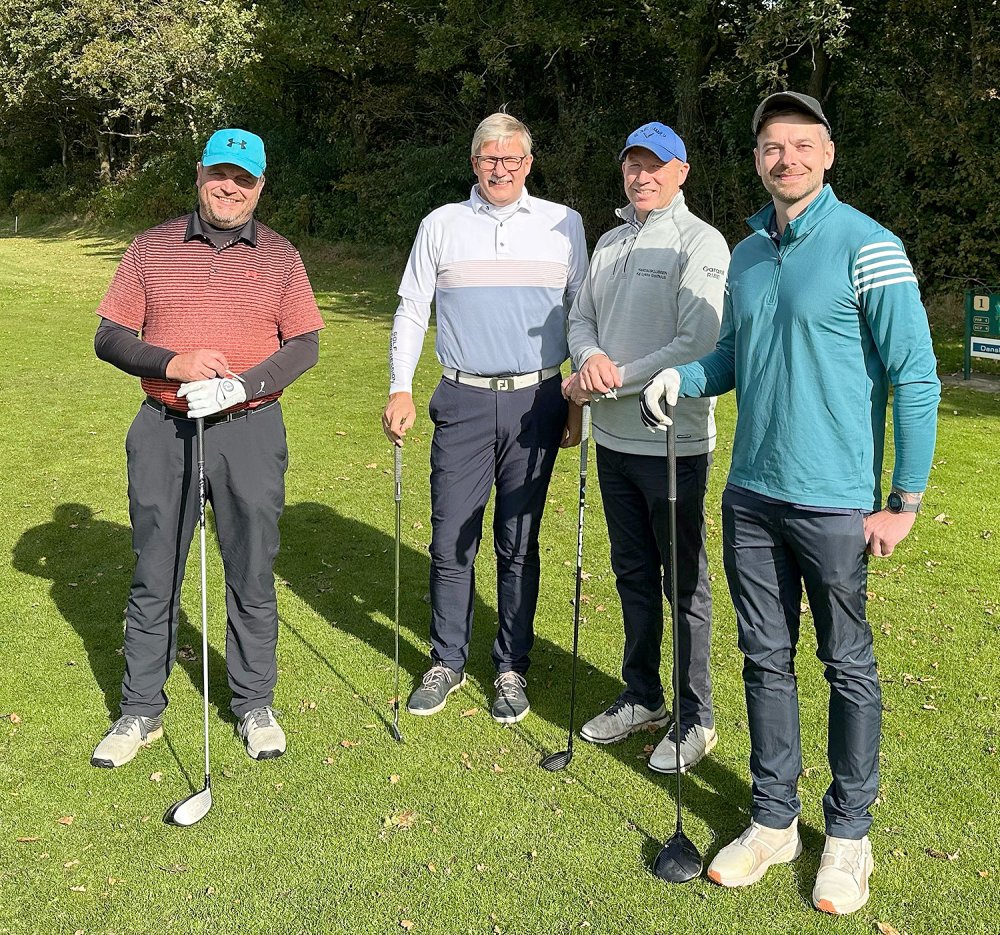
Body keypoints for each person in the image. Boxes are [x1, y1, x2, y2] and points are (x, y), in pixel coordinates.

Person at [641, 91, 940, 914]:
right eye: (773, 145)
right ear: (757, 159)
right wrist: (683, 375)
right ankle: (774, 819)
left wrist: (904, 499)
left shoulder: (870, 247)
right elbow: (734, 355)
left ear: (828, 154)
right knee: (764, 659)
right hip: (752, 495)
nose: (788, 158)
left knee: (847, 665)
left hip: (836, 503)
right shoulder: (746, 254)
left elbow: (916, 376)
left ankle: (848, 834)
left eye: (803, 144)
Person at [91, 128, 324, 767]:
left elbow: (304, 344)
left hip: (249, 429)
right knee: (155, 569)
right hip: (163, 428)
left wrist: (239, 386)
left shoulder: (281, 257)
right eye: (220, 174)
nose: (230, 188)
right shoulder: (151, 247)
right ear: (200, 175)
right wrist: (174, 362)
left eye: (244, 179)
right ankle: (141, 708)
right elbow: (110, 336)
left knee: (251, 569)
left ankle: (253, 703)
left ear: (260, 187)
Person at [381, 112, 588, 725]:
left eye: (511, 159)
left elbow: (581, 313)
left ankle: (511, 667)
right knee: (451, 538)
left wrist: (576, 402)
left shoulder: (563, 224)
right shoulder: (441, 224)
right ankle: (447, 659)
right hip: (462, 398)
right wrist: (399, 387)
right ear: (474, 163)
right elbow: (412, 308)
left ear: (528, 164)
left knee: (518, 541)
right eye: (489, 158)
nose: (501, 169)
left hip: (538, 399)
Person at [563, 122, 729, 774]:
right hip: (611, 439)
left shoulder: (701, 242)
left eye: (655, 165)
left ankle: (696, 716)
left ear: (681, 171)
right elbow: (581, 318)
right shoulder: (609, 241)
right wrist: (589, 358)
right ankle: (643, 695)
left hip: (672, 443)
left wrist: (609, 377)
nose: (642, 176)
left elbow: (697, 343)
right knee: (631, 572)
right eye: (633, 164)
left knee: (682, 583)